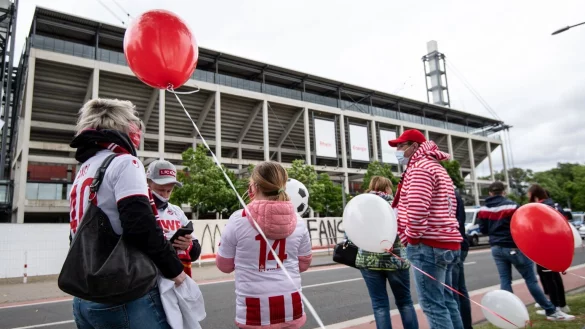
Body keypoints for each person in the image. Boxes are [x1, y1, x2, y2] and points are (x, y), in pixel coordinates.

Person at [68, 99, 187, 328]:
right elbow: (140, 226)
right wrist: (175, 270)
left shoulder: (86, 167)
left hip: (84, 292)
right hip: (122, 292)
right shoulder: (125, 163)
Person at [216, 161, 313, 328]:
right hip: (291, 305)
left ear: (253, 187)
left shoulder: (238, 219)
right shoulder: (299, 222)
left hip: (254, 308)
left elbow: (224, 266)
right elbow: (303, 265)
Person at [389, 129, 463, 329]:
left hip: (428, 244)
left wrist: (412, 239)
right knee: (447, 301)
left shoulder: (420, 168)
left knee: (432, 305)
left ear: (414, 146)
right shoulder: (436, 167)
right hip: (445, 241)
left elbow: (417, 209)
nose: (397, 150)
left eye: (400, 146)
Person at [478, 181, 571, 321]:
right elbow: (522, 224)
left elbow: (483, 230)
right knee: (530, 280)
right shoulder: (512, 206)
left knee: (505, 280)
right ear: (504, 191)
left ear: (490, 193)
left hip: (496, 247)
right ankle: (551, 311)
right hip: (513, 246)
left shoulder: (483, 209)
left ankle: (508, 313)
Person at [356, 176, 418, 329]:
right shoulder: (397, 204)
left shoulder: (361, 205)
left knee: (379, 305)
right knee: (405, 303)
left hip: (368, 261)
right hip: (395, 260)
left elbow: (351, 234)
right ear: (387, 188)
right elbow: (407, 229)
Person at [147, 159, 202, 277]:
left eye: (169, 190)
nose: (165, 195)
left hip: (175, 277)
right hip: (147, 279)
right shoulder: (138, 211)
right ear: (148, 184)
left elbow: (196, 251)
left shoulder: (176, 211)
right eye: (160, 190)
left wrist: (188, 245)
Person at [527, 184, 574, 318]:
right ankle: (562, 304)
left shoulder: (540, 207)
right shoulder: (554, 205)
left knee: (547, 276)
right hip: (556, 244)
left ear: (534, 195)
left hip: (544, 245)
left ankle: (555, 307)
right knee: (555, 275)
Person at [451, 190, 473, 329]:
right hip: (461, 242)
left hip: (452, 243)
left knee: (452, 292)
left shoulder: (445, 194)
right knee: (460, 290)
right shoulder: (455, 194)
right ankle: (466, 325)